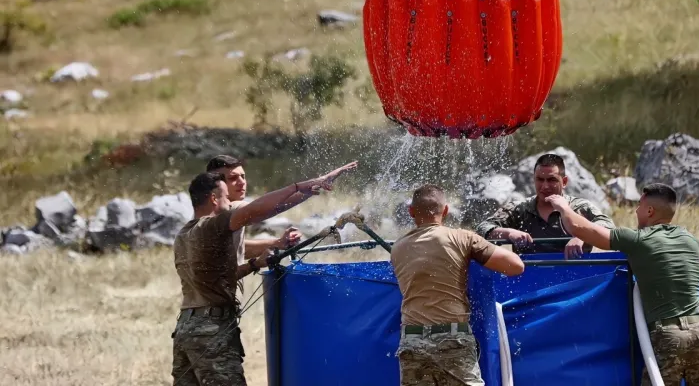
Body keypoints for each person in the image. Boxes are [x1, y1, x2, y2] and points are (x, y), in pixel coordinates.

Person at [172, 161, 358, 386]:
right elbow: (255, 211)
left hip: (186, 327)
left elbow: (218, 277)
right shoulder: (213, 225)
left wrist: (255, 264)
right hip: (211, 329)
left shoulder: (184, 234)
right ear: (213, 198)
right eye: (225, 197)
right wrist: (298, 186)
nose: (230, 202)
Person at [547, 184, 699, 386]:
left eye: (639, 205)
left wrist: (563, 207)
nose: (635, 210)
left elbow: (581, 229)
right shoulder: (689, 239)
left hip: (668, 336)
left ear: (650, 211)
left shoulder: (638, 239)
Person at [391, 184, 525, 386]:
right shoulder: (461, 238)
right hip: (452, 340)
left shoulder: (397, 248)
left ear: (411, 211)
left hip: (411, 341)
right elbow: (515, 266)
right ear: (445, 211)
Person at [475, 153, 615, 259]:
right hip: (528, 282)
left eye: (552, 180)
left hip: (574, 283)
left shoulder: (579, 207)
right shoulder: (519, 209)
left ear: (564, 182)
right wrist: (509, 233)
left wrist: (583, 236)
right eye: (540, 180)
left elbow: (609, 228)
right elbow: (481, 230)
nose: (545, 186)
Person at [206, 155, 303, 277]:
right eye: (232, 178)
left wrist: (278, 243)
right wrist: (304, 189)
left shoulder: (213, 210)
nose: (242, 182)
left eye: (243, 176)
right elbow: (262, 209)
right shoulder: (226, 211)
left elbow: (238, 248)